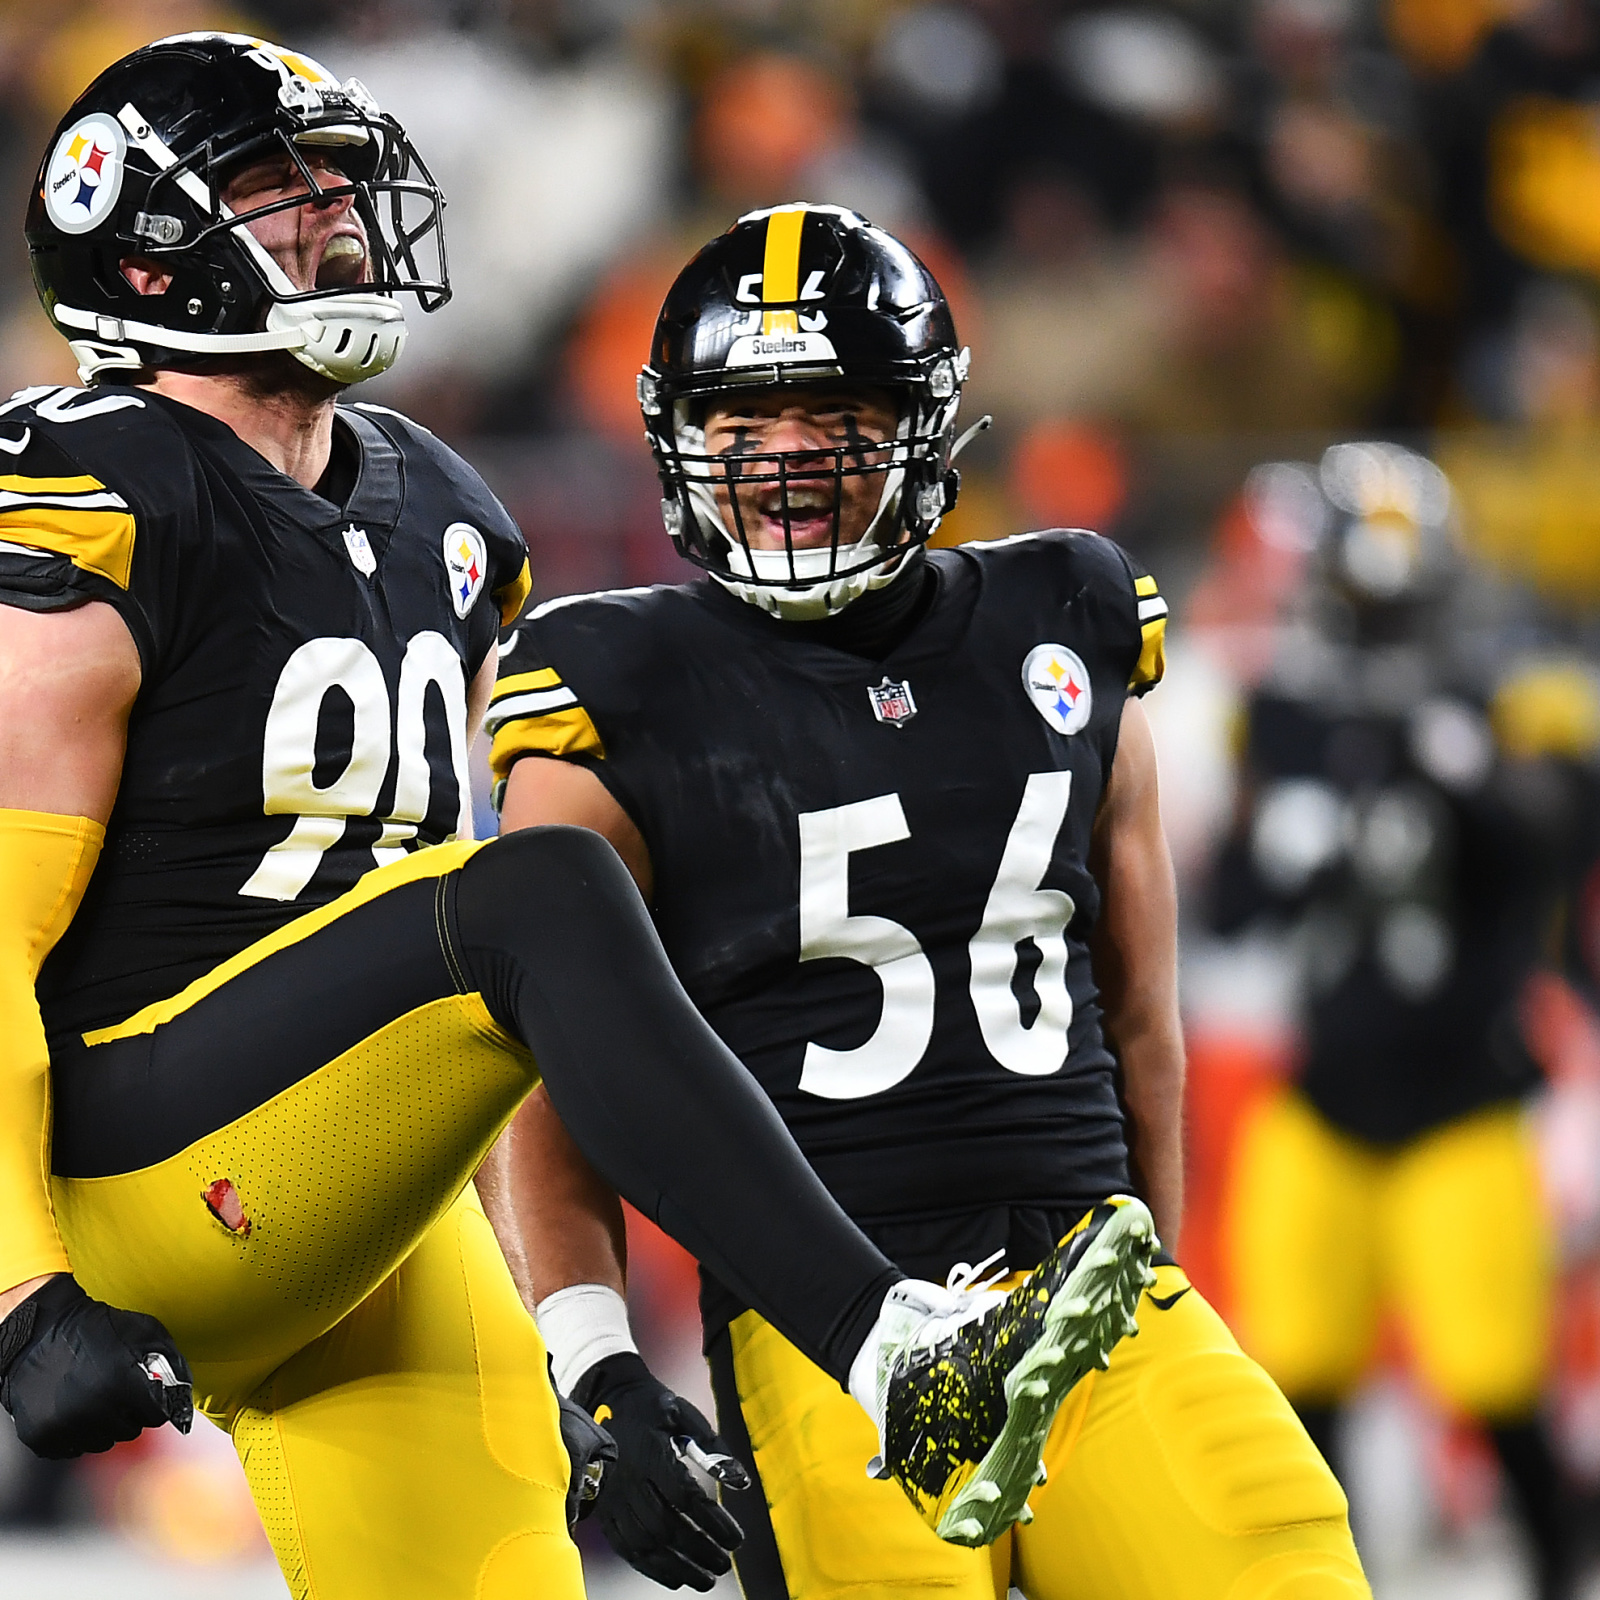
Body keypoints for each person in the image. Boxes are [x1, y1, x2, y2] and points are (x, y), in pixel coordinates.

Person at [0, 39, 1159, 1600]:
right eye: (281, 200)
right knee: (535, 888)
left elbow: (458, 1031)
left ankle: (828, 1350)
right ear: (147, 249)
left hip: (343, 1201)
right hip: (122, 1173)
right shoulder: (95, 486)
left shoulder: (449, 517)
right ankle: (888, 1346)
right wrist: (19, 1293)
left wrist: (592, 1367)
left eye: (340, 192)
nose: (338, 229)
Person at [490, 203, 1370, 1598]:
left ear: (919, 422)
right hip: (832, 1322)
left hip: (1090, 1289)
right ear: (682, 436)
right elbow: (554, 1073)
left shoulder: (1066, 614)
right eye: (742, 416)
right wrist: (595, 1362)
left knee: (1284, 1565)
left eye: (831, 408)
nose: (784, 455)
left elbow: (1139, 1011)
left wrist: (1154, 1275)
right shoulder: (615, 683)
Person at [1211, 442, 1594, 1600]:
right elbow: (1234, 908)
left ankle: (1555, 1573)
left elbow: (1547, 850)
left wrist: (1449, 760)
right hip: (1324, 1098)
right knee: (1296, 1386)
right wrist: (1296, 836)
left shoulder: (1502, 705)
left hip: (1465, 1102)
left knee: (1495, 1380)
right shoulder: (1281, 717)